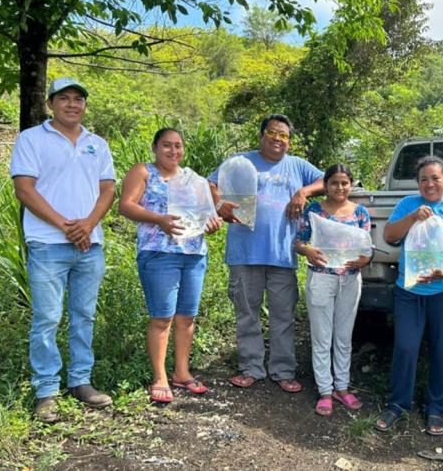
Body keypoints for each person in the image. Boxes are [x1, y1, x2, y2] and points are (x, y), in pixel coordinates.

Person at [10, 77, 116, 422]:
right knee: (47, 318)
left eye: (79, 99)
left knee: (84, 316)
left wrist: (87, 225)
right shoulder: (31, 139)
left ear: (85, 105)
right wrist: (65, 225)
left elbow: (107, 191)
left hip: (90, 244)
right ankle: (46, 391)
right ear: (51, 103)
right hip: (47, 243)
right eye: (65, 98)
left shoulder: (96, 143)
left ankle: (81, 381)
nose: (73, 104)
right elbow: (25, 189)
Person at [209, 114, 324, 393]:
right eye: (272, 133)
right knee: (246, 313)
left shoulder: (297, 165)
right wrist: (219, 203)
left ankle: (283, 370)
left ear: (289, 141)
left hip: (282, 253)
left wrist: (303, 192)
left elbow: (328, 179)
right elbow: (209, 184)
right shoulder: (241, 161)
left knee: (283, 315)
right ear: (262, 135)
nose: (277, 139)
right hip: (244, 253)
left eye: (284, 136)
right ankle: (251, 368)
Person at [374, 155, 443, 436]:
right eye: (423, 179)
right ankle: (397, 405)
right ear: (417, 183)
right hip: (410, 291)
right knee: (406, 347)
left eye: (435, 178)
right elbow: (389, 235)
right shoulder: (408, 204)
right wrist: (412, 217)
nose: (429, 184)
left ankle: (436, 409)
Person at [118, 128, 223, 403]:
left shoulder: (194, 180)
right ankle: (160, 376)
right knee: (162, 318)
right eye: (167, 145)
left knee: (187, 317)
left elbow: (207, 215)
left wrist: (211, 224)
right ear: (155, 147)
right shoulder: (143, 171)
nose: (173, 151)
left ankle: (182, 372)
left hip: (194, 253)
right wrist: (159, 219)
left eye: (178, 146)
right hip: (159, 253)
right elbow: (126, 206)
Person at [295, 164, 371, 416]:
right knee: (321, 337)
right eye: (335, 183)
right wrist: (307, 250)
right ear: (325, 185)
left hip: (350, 279)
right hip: (321, 279)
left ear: (351, 185)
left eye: (344, 183)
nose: (340, 187)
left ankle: (342, 387)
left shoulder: (360, 213)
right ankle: (325, 391)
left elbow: (366, 248)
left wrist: (365, 260)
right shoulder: (314, 210)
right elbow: (299, 241)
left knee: (343, 337)